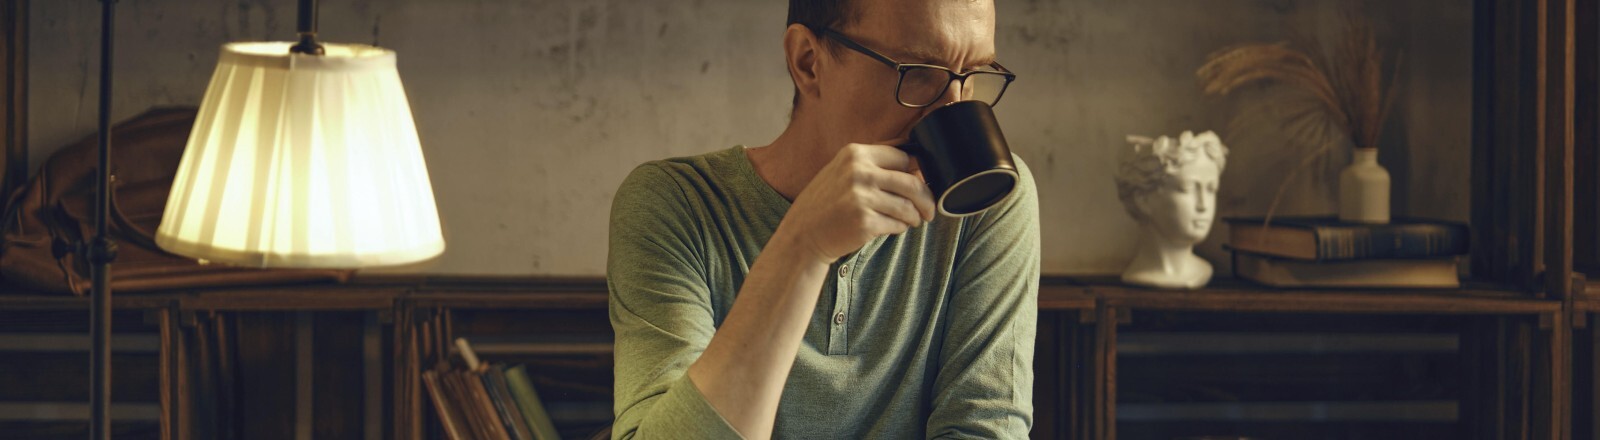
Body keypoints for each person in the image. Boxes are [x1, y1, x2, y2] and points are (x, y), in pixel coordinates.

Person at [606, 0, 1039, 438]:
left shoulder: (988, 198)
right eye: (920, 72)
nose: (953, 108)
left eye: (973, 74)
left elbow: (984, 429)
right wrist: (803, 247)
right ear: (808, 62)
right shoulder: (676, 203)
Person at [1114, 131, 1228, 289]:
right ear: (1143, 200)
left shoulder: (1203, 270)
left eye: (1211, 189)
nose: (1203, 205)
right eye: (1187, 189)